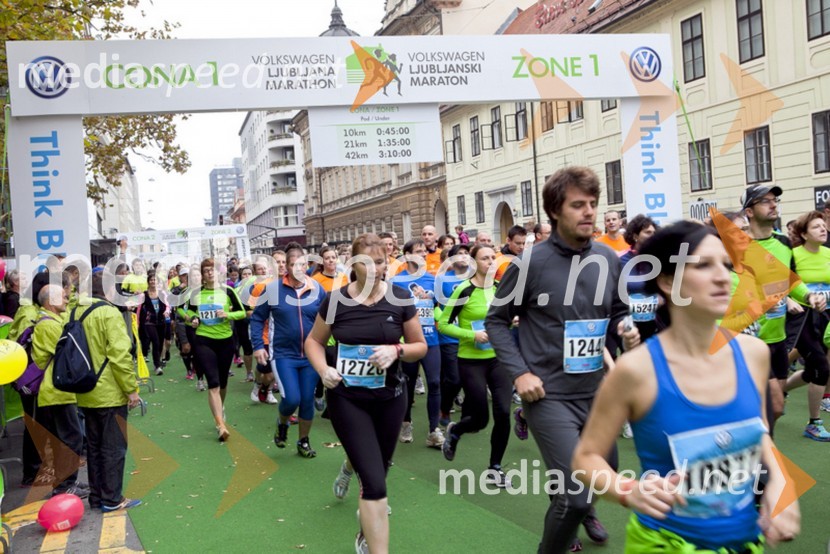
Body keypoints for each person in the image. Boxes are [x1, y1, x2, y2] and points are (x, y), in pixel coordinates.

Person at [572, 221, 800, 551]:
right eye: (703, 265)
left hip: (745, 539)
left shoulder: (754, 354)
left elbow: (759, 432)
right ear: (668, 281)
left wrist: (781, 483)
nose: (723, 277)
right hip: (664, 542)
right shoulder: (636, 370)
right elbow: (586, 458)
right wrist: (628, 490)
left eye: (726, 264)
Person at [485, 167, 639, 552]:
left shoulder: (607, 258)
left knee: (601, 475)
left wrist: (625, 327)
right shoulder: (528, 264)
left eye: (593, 204)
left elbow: (619, 310)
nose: (589, 212)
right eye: (577, 205)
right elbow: (496, 321)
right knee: (577, 496)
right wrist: (520, 374)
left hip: (597, 393)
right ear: (555, 211)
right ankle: (571, 514)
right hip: (548, 395)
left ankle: (574, 508)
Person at [305, 233, 427, 554]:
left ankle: (363, 526)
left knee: (378, 472)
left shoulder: (400, 297)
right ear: (353, 266)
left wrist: (397, 350)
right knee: (374, 483)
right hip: (348, 399)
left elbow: (420, 346)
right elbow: (314, 341)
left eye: (380, 263)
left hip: (390, 399)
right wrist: (323, 369)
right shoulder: (336, 301)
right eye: (367, 264)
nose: (375, 269)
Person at [741, 184, 823, 434]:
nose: (773, 204)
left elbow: (790, 280)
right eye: (765, 201)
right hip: (751, 340)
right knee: (769, 404)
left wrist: (808, 295)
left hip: (778, 339)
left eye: (775, 200)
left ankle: (763, 451)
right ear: (749, 212)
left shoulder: (784, 243)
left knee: (775, 409)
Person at [438, 244, 513, 487]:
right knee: (480, 419)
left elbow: (504, 319)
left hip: (498, 359)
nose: (490, 262)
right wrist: (472, 335)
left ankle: (495, 467)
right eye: (484, 258)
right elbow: (444, 325)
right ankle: (456, 431)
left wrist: (512, 321)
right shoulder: (464, 290)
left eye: (493, 258)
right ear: (474, 263)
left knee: (503, 412)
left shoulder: (500, 289)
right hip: (471, 361)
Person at [251, 244, 326, 458]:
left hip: (311, 355)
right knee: (292, 398)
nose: (297, 269)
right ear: (286, 266)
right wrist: (258, 346)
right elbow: (257, 318)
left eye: (300, 264)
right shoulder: (273, 289)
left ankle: (303, 441)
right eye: (292, 265)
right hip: (283, 354)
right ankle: (282, 422)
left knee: (307, 399)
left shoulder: (317, 289)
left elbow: (327, 319)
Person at [77, 272, 142, 512]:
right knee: (114, 447)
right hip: (109, 390)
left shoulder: (75, 311)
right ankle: (112, 498)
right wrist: (131, 389)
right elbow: (119, 355)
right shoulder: (109, 313)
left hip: (84, 389)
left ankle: (97, 497)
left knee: (94, 447)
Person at [32, 284, 89, 498]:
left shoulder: (50, 320)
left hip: (56, 390)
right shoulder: (48, 325)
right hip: (56, 391)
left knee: (67, 438)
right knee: (71, 438)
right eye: (64, 297)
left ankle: (66, 482)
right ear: (51, 301)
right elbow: (68, 351)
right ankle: (65, 485)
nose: (67, 300)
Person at [182, 258, 246, 441]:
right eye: (206, 270)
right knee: (213, 382)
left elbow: (242, 312)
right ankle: (220, 425)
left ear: (218, 272)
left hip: (225, 341)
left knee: (223, 382)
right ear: (202, 275)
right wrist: (193, 318)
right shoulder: (196, 293)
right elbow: (187, 311)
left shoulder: (228, 291)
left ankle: (220, 408)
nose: (210, 273)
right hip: (204, 340)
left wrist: (227, 314)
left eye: (212, 270)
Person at [390, 239, 444, 448]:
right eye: (418, 251)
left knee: (435, 382)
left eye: (424, 251)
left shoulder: (432, 279)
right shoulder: (396, 281)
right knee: (409, 383)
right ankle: (406, 422)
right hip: (409, 343)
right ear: (407, 255)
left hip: (431, 340)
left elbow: (437, 307)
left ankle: (434, 430)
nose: (423, 254)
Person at [785, 210, 830, 440]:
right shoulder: (793, 255)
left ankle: (781, 389)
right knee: (821, 367)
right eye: (816, 227)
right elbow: (778, 283)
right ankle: (814, 423)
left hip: (825, 317)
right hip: (801, 318)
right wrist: (789, 300)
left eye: (823, 225)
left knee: (813, 370)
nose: (823, 229)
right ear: (804, 234)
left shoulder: (828, 254)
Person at [435, 243, 472, 426]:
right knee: (454, 378)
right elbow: (434, 304)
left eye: (466, 253)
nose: (464, 256)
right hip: (450, 335)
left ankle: (467, 414)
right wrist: (440, 320)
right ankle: (445, 408)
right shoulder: (442, 279)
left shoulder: (476, 277)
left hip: (472, 335)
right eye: (459, 253)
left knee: (471, 378)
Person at [138, 270, 170, 376]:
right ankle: (157, 366)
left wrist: (167, 311)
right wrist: (138, 322)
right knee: (155, 342)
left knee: (160, 343)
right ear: (148, 282)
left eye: (155, 280)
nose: (153, 282)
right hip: (149, 322)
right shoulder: (143, 295)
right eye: (151, 280)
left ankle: (158, 360)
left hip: (161, 321)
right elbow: (139, 309)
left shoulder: (162, 293)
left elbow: (167, 305)